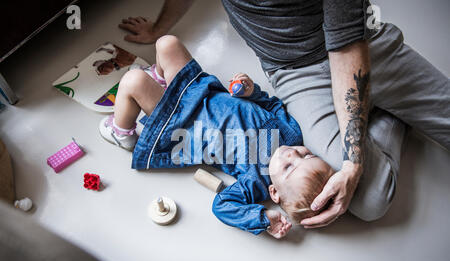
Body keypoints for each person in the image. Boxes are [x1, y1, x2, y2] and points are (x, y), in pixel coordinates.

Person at [119, 0, 450, 228]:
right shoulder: (269, 168)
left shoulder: (282, 148)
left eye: (300, 156)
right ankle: (387, 115)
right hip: (296, 71)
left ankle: (376, 108)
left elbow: (346, 43)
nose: (297, 152)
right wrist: (160, 27)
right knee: (370, 199)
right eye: (301, 157)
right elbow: (227, 202)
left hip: (360, 46)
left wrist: (353, 159)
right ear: (273, 194)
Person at [98, 36, 335, 239]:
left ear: (274, 192)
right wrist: (251, 91)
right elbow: (271, 105)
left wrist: (260, 218)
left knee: (133, 80)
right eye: (306, 155)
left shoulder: (256, 183)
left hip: (181, 123)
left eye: (288, 166)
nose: (294, 153)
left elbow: (222, 206)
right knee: (167, 43)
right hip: (201, 93)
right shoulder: (292, 135)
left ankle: (121, 131)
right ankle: (162, 81)